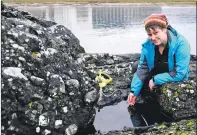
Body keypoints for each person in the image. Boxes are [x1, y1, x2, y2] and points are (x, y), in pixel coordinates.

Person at [127, 14, 191, 127]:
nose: (152, 37)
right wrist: (133, 91)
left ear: (165, 29)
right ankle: (143, 96)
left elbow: (180, 73)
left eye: (156, 33)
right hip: (157, 70)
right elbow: (142, 67)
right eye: (149, 34)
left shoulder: (182, 44)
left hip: (172, 73)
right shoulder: (148, 44)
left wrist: (155, 79)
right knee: (136, 66)